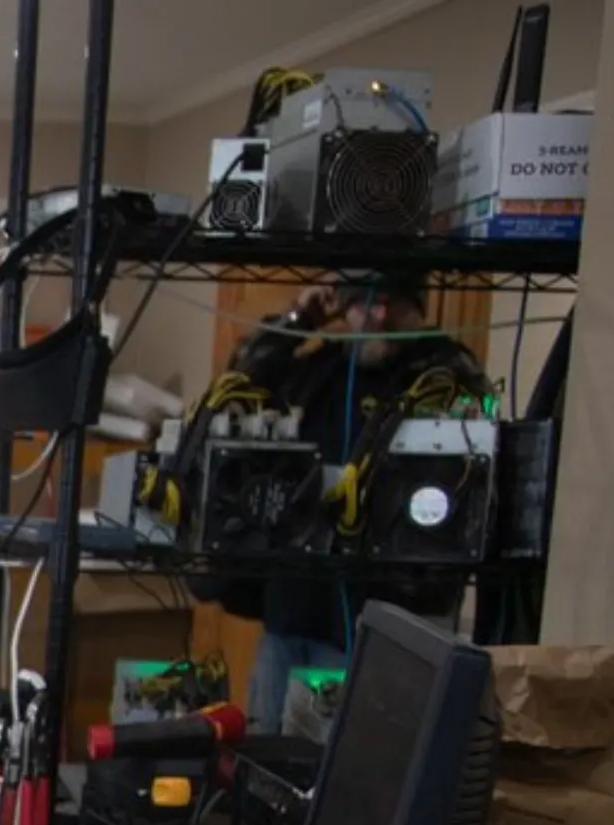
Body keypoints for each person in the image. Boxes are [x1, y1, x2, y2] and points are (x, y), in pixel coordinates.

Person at [206, 272, 491, 732]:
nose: (375, 317)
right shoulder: (318, 371)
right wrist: (302, 316)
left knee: (360, 777)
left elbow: (480, 405)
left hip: (385, 625)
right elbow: (238, 381)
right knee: (267, 766)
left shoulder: (439, 377)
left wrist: (420, 337)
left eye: (390, 306)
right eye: (362, 304)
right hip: (291, 617)